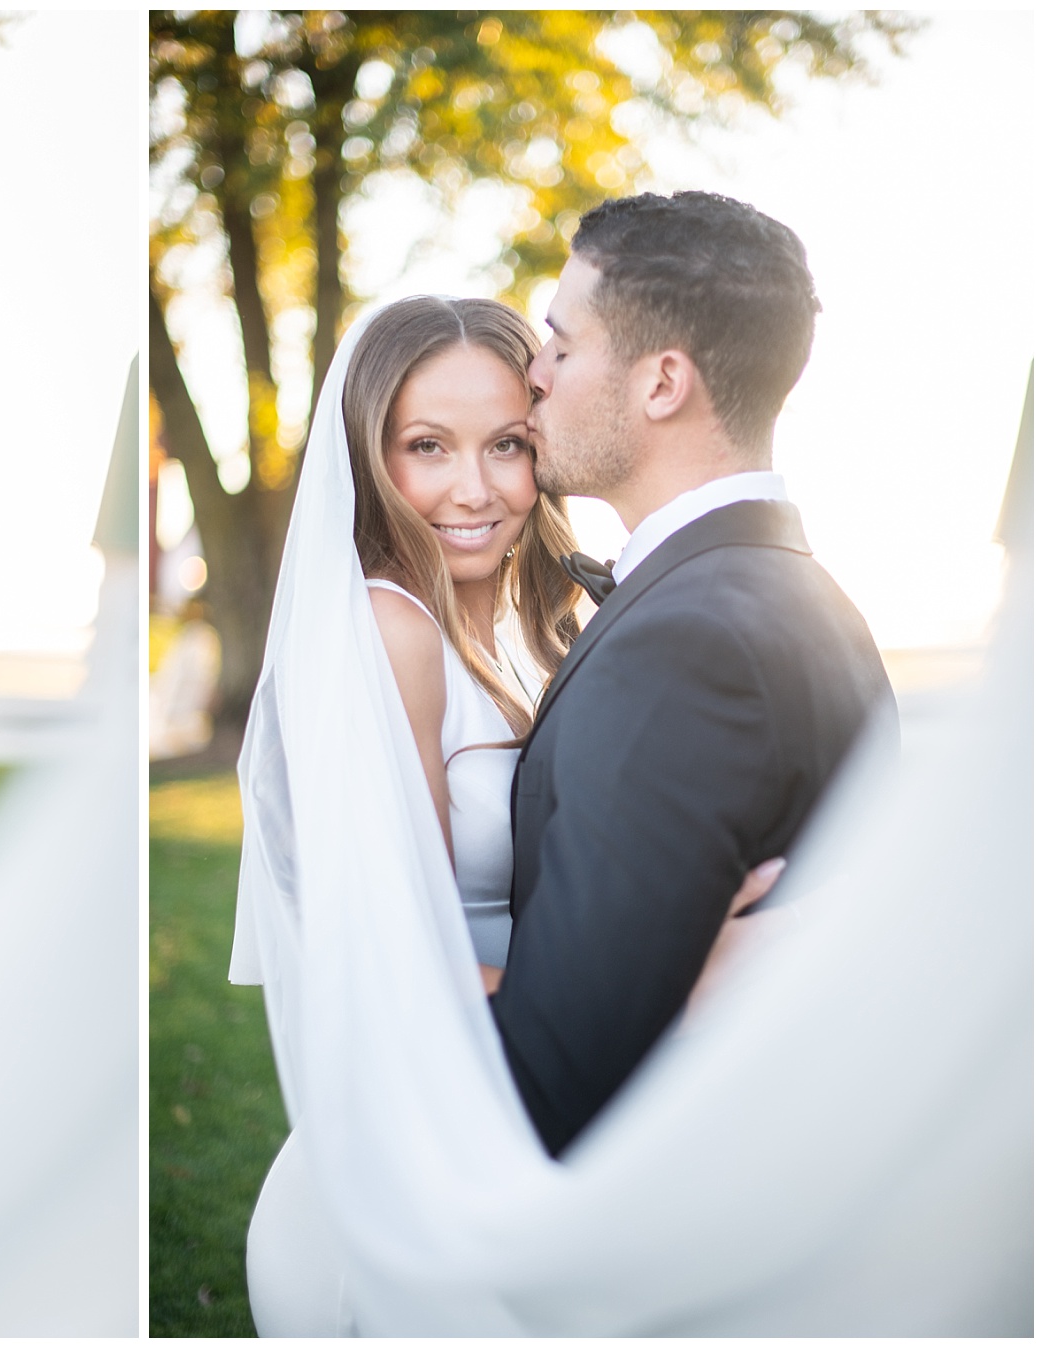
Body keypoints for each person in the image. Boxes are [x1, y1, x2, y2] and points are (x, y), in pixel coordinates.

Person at [235, 192, 892, 1336]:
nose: (537, 382)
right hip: (437, 1155)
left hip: (584, 1163)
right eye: (426, 447)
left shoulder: (609, 627)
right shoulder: (398, 633)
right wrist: (677, 981)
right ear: (373, 460)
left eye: (553, 355)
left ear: (662, 381)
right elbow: (385, 959)